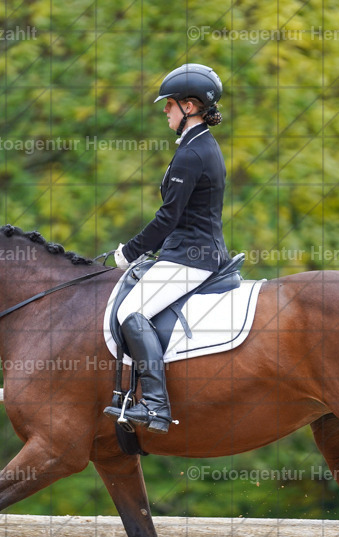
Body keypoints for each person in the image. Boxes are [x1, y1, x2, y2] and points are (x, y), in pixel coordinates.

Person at [103, 63, 229, 434]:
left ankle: (156, 405)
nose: (165, 111)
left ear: (189, 106)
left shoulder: (193, 153)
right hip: (190, 251)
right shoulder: (199, 146)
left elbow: (167, 218)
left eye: (169, 104)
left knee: (131, 312)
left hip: (191, 257)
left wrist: (129, 252)